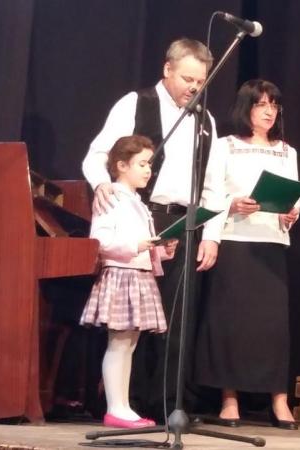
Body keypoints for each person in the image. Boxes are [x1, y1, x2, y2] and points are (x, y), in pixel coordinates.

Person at [81, 38, 225, 421]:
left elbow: (213, 183)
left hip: (185, 223)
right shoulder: (136, 103)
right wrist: (102, 184)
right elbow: (98, 154)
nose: (194, 87)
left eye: (200, 81)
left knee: (176, 319)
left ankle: (167, 405)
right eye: (187, 79)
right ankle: (126, 403)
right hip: (142, 217)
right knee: (133, 317)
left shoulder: (205, 120)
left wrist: (211, 235)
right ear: (167, 69)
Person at [193, 79, 299, 430]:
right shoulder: (226, 146)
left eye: (274, 105)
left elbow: (294, 195)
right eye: (261, 104)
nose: (269, 111)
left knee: (272, 326)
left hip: (272, 243)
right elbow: (211, 194)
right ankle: (230, 398)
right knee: (231, 322)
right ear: (246, 108)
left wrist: (291, 212)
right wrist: (231, 208)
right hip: (235, 239)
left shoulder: (286, 151)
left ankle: (279, 398)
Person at [80, 135, 178, 428]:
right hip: (122, 275)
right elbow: (101, 241)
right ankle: (115, 407)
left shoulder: (137, 202)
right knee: (119, 343)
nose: (148, 170)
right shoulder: (111, 197)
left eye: (149, 164)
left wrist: (162, 249)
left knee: (129, 345)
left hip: (138, 274)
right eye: (142, 164)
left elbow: (141, 244)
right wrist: (137, 245)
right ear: (121, 165)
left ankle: (122, 406)